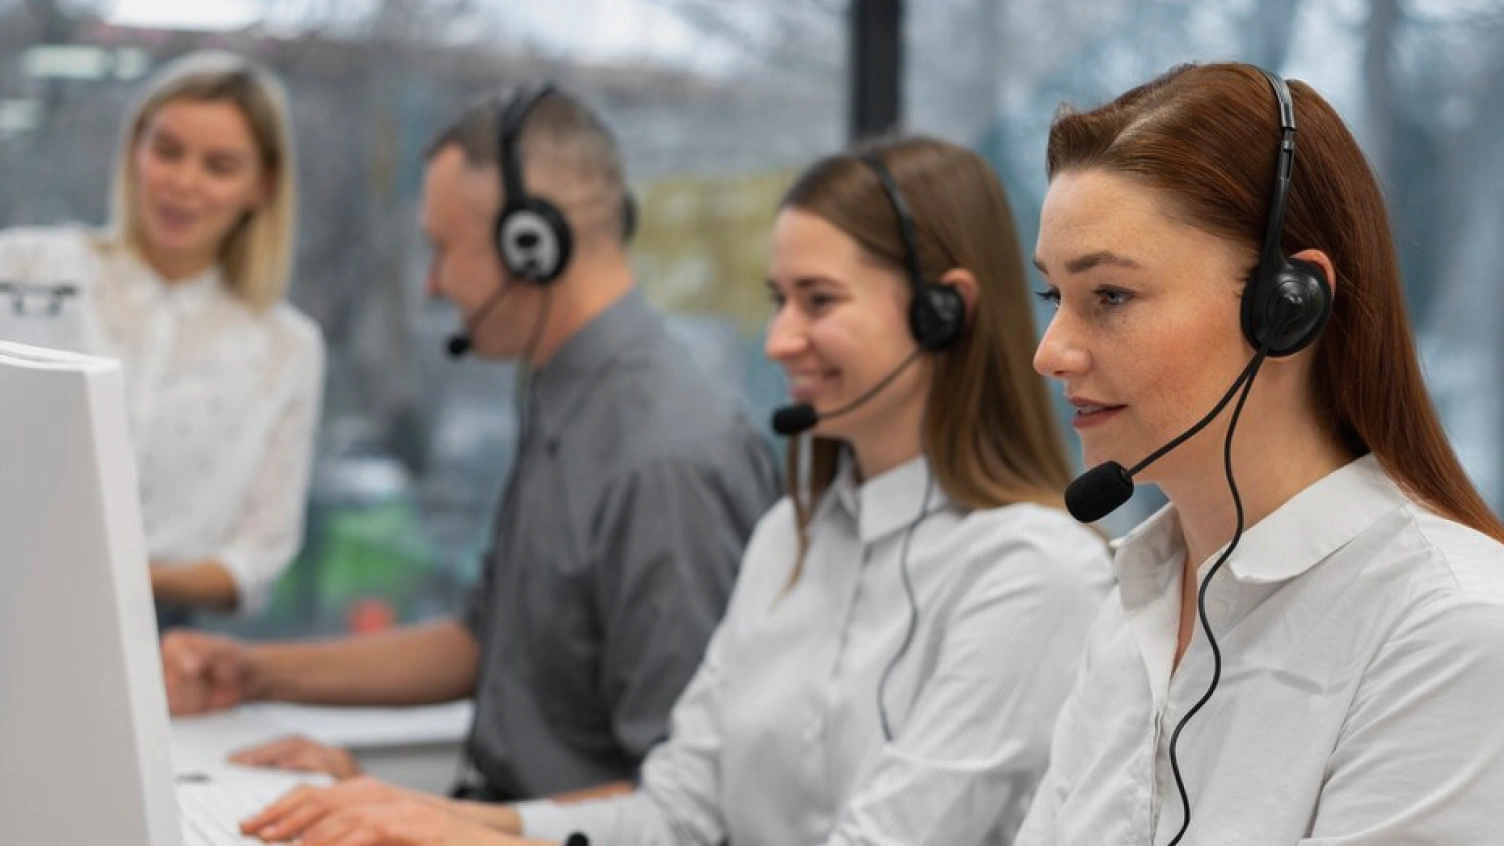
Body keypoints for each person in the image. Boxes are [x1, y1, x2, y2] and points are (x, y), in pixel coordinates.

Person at [235, 135, 1112, 846]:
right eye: (777, 300)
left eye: (817, 301)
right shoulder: (790, 541)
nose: (778, 339)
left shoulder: (1032, 573)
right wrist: (427, 815)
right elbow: (677, 816)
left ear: (944, 313)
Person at [161, 82, 779, 804]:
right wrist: (254, 671)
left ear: (532, 247)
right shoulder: (565, 396)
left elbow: (687, 809)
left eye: (442, 249)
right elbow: (483, 644)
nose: (433, 284)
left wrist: (424, 818)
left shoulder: (664, 457)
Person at [1016, 63, 1504, 845]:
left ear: (1286, 307)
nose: (1052, 352)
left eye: (1109, 296)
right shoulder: (1139, 603)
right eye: (1055, 298)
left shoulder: (1453, 633)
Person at [0, 50, 322, 620]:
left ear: (262, 185)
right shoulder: (23, 268)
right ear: (134, 151)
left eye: (219, 166)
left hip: (155, 632)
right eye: (167, 151)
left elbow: (258, 553)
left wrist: (119, 579)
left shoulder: (287, 348)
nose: (184, 183)